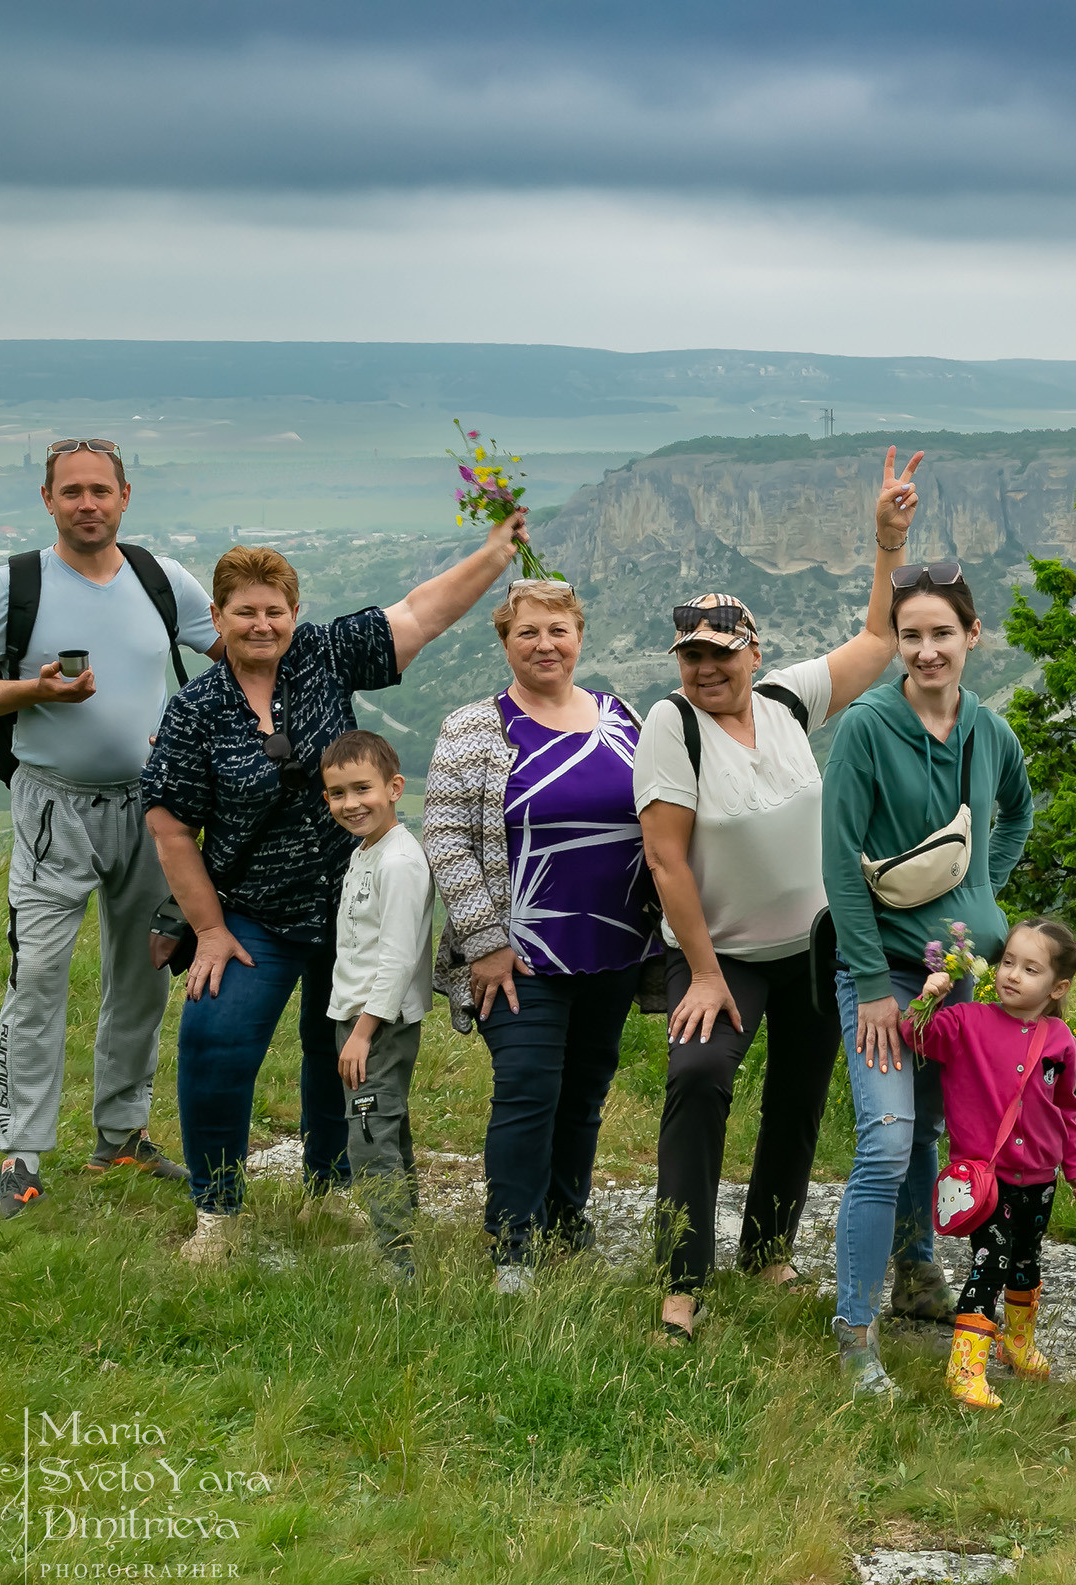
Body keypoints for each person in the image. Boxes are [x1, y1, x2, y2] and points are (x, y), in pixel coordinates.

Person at [144, 523, 522, 1263]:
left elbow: (420, 615)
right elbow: (171, 827)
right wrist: (210, 930)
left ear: (295, 612)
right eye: (245, 612)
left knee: (339, 1048)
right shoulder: (195, 711)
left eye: (274, 610)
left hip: (354, 901)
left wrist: (496, 553)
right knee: (215, 1040)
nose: (261, 624)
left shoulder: (322, 654)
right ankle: (218, 1209)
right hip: (254, 911)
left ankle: (333, 1185)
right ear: (216, 617)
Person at [636, 448, 921, 1342]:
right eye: (691, 655)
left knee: (797, 1098)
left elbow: (878, 643)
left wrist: (886, 543)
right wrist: (703, 975)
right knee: (698, 1078)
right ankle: (682, 1277)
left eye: (720, 653)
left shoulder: (787, 700)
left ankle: (766, 1250)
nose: (705, 668)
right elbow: (666, 861)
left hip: (815, 946)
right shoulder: (672, 724)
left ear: (753, 652)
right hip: (721, 955)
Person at [0, 440, 222, 1221]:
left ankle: (121, 1137)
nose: (87, 504)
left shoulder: (161, 579)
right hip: (52, 806)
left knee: (142, 972)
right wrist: (32, 691)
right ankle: (21, 1158)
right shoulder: (15, 585)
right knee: (37, 974)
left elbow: (241, 651)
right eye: (71, 491)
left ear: (125, 496)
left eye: (100, 490)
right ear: (48, 500)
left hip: (151, 807)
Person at [822, 563, 1034, 1395]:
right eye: (910, 635)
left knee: (929, 1132)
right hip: (884, 975)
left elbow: (1018, 810)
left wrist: (981, 890)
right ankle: (855, 1330)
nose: (926, 650)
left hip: (962, 976)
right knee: (886, 1137)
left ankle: (916, 1272)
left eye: (942, 632)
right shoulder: (868, 728)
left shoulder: (989, 731)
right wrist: (873, 984)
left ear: (972, 634)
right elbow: (840, 862)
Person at [422, 573, 652, 1288]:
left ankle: (566, 1218)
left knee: (585, 1090)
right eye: (528, 632)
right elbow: (445, 837)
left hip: (615, 944)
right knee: (527, 1086)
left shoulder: (622, 714)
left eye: (558, 630)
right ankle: (512, 1242)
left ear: (579, 636)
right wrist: (486, 943)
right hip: (517, 953)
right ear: (506, 642)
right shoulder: (474, 726)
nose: (544, 644)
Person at [905, 916, 1076, 1409]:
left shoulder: (1060, 1040)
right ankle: (965, 1368)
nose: (1012, 975)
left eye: (1031, 969)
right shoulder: (967, 1021)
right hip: (987, 1179)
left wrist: (1075, 1166)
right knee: (992, 1260)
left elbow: (1066, 1109)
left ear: (1058, 987)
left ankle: (1017, 1342)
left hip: (1041, 1177)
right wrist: (930, 996)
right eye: (1008, 962)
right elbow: (915, 1034)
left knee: (1026, 1259)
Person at [321, 728, 433, 1277]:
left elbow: (397, 957)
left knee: (368, 1134)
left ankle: (396, 1259)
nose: (350, 804)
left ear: (394, 788)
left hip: (378, 1024)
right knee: (387, 1125)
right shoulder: (367, 851)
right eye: (337, 793)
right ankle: (401, 1235)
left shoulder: (399, 862)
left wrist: (363, 1033)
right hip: (357, 1015)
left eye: (362, 788)